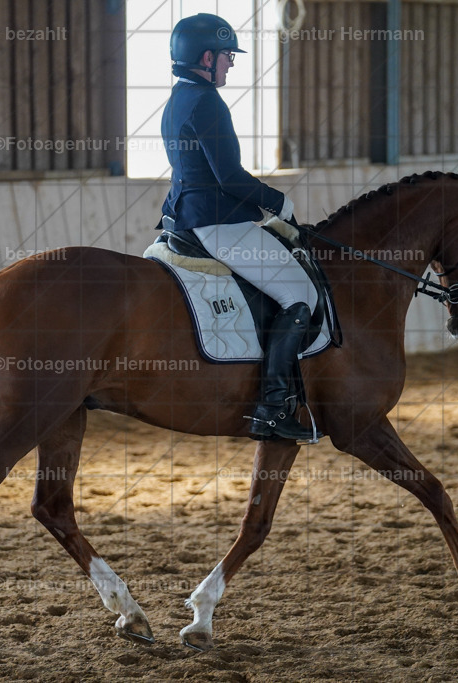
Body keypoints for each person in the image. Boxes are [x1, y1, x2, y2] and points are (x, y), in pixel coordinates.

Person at [161, 13, 320, 442]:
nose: (231, 63)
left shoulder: (178, 97)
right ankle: (271, 408)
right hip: (215, 223)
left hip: (184, 216)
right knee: (300, 294)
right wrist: (278, 203)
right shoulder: (208, 101)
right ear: (206, 57)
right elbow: (229, 177)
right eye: (228, 56)